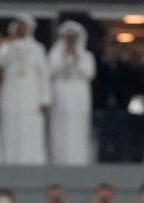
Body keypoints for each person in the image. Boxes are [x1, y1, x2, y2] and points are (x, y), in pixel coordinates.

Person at [0, 14, 50, 165]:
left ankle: (33, 161)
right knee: (11, 127)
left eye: (24, 27)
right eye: (19, 27)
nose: (21, 30)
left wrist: (44, 98)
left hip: (31, 96)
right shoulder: (6, 47)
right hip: (10, 94)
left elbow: (43, 74)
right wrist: (11, 45)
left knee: (31, 128)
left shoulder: (38, 48)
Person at [49, 21, 95, 166]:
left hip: (79, 94)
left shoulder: (86, 55)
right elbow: (51, 70)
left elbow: (89, 73)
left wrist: (76, 58)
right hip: (61, 92)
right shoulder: (55, 53)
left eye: (73, 38)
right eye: (68, 37)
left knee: (78, 127)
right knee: (59, 127)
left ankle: (79, 159)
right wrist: (64, 57)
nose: (70, 41)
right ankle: (58, 158)